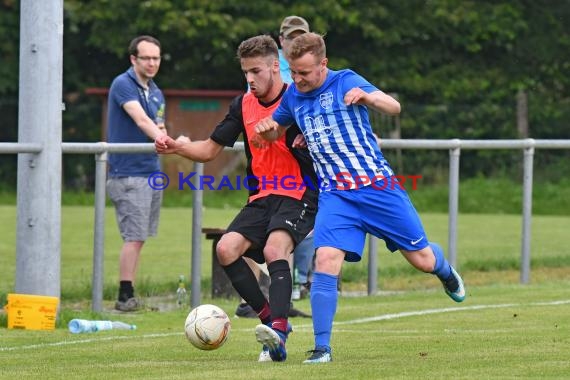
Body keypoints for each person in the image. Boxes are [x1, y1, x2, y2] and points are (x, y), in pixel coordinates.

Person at [254, 32, 466, 364]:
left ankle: (444, 269)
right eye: (293, 72)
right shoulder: (294, 96)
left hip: (378, 189)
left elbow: (393, 107)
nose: (297, 79)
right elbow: (274, 132)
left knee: (422, 260)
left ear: (323, 64)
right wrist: (265, 129)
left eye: (304, 73)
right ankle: (322, 348)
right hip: (336, 195)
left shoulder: (346, 80)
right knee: (325, 260)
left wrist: (369, 99)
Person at [155, 35, 318, 362]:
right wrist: (177, 146)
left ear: (275, 66)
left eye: (256, 71)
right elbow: (209, 150)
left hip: (299, 193)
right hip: (261, 196)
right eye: (245, 72)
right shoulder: (242, 105)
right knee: (226, 249)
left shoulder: (299, 99)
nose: (250, 79)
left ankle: (280, 331)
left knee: (275, 249)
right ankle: (270, 322)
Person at [236, 15, 314, 318]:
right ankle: (260, 303)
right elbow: (257, 107)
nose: (296, 42)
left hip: (300, 183)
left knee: (283, 242)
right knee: (251, 239)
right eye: (291, 37)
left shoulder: (307, 76)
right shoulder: (267, 71)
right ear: (281, 42)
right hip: (266, 179)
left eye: (301, 37)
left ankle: (282, 307)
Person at [106, 35, 167, 312]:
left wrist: (173, 140)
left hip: (151, 170)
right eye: (146, 58)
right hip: (127, 172)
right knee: (133, 236)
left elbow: (158, 125)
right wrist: (164, 140)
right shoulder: (123, 84)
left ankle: (130, 294)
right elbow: (141, 120)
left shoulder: (155, 90)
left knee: (140, 236)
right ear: (133, 59)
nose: (152, 63)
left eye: (156, 58)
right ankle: (124, 295)